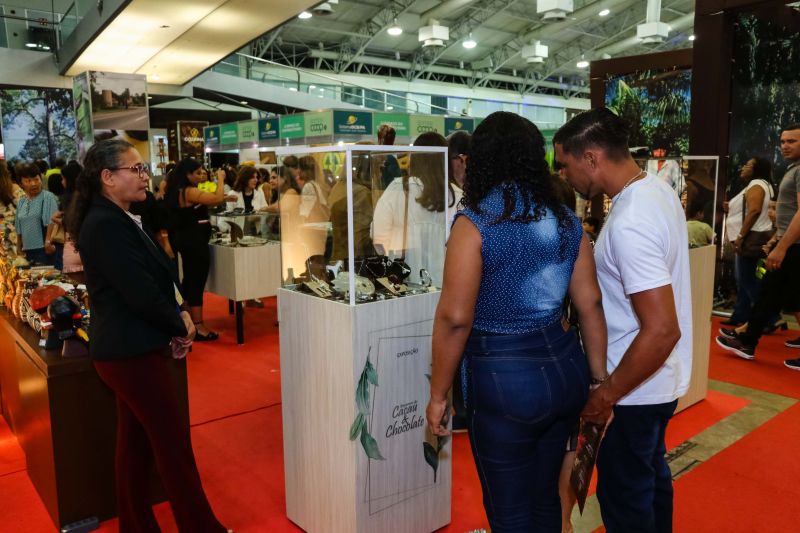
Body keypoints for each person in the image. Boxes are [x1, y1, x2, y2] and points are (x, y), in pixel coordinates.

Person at [426, 111, 608, 532]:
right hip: (566, 369)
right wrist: (598, 382)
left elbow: (455, 319)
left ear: (481, 158)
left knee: (509, 511)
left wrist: (438, 395)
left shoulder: (476, 224)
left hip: (502, 379)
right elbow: (590, 304)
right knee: (547, 497)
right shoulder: (565, 219)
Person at [66, 139, 230, 533]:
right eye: (135, 169)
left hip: (127, 348)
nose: (145, 176)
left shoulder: (116, 216)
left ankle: (136, 525)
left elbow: (149, 280)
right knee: (172, 447)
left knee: (136, 446)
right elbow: (138, 292)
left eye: (144, 168)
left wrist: (177, 316)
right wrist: (180, 323)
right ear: (108, 178)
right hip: (129, 351)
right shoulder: (105, 223)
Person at [554, 107, 692, 533]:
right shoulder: (655, 190)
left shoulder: (631, 221)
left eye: (564, 164)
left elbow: (662, 328)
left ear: (592, 158)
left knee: (627, 501)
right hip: (654, 385)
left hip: (632, 393)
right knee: (650, 483)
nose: (562, 175)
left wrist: (606, 395)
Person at [716, 124, 800, 369]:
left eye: (792, 141)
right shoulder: (793, 169)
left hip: (794, 247)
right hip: (788, 243)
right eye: (783, 141)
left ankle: (747, 338)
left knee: (774, 294)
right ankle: (747, 338)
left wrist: (781, 246)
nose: (785, 145)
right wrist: (777, 239)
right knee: (768, 294)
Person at [373, 132, 461, 286]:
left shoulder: (398, 188)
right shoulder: (457, 195)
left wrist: (393, 256)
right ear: (444, 160)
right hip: (448, 286)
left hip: (405, 284)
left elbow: (379, 238)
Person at [165, 158, 225, 341]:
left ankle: (189, 319)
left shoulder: (175, 190)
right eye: (197, 173)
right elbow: (217, 199)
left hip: (185, 238)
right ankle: (198, 325)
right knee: (196, 280)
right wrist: (221, 179)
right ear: (187, 175)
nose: (201, 175)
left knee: (190, 279)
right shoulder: (189, 191)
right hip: (193, 241)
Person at [721, 157, 777, 326]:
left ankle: (771, 317)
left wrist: (740, 236)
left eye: (747, 165)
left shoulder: (756, 185)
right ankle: (741, 314)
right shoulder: (762, 185)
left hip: (750, 239)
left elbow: (754, 211)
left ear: (755, 169)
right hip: (753, 237)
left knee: (747, 279)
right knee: (745, 278)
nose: (743, 168)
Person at [14, 162, 60, 266]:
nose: (33, 184)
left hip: (44, 250)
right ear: (21, 184)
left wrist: (48, 242)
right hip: (27, 251)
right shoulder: (21, 201)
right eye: (28, 181)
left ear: (41, 179)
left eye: (36, 179)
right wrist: (18, 246)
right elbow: (19, 226)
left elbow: (51, 221)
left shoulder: (47, 197)